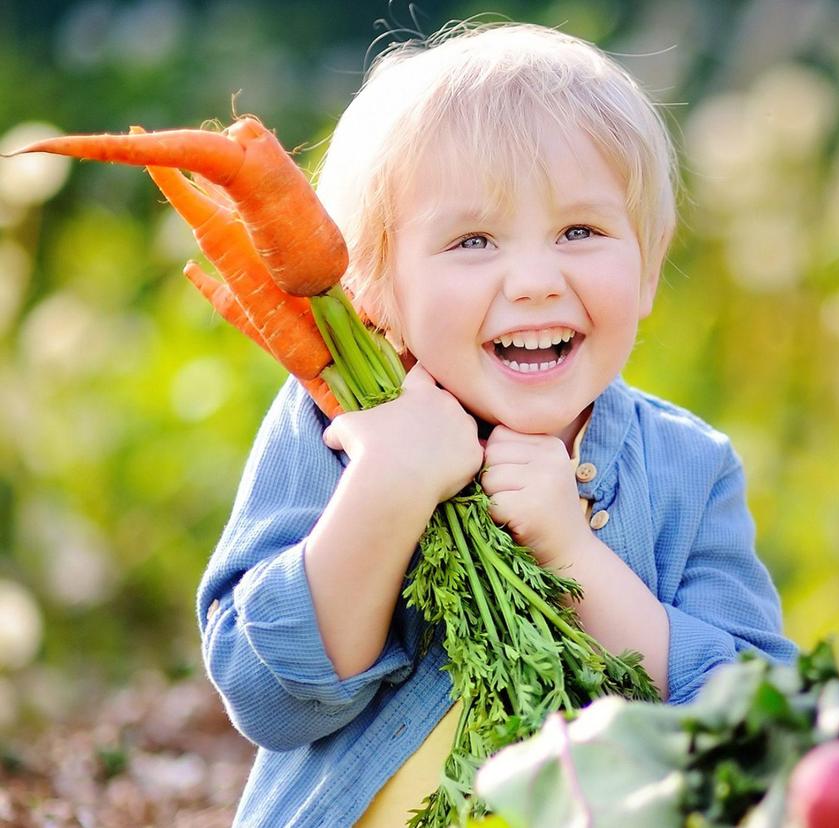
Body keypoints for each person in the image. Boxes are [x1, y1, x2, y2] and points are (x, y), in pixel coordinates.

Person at [196, 21, 797, 827]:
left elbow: (757, 721)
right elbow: (268, 698)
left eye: (580, 232)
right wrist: (388, 489)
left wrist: (571, 550)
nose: (537, 282)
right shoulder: (336, 429)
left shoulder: (692, 466)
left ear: (648, 268)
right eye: (473, 240)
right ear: (377, 291)